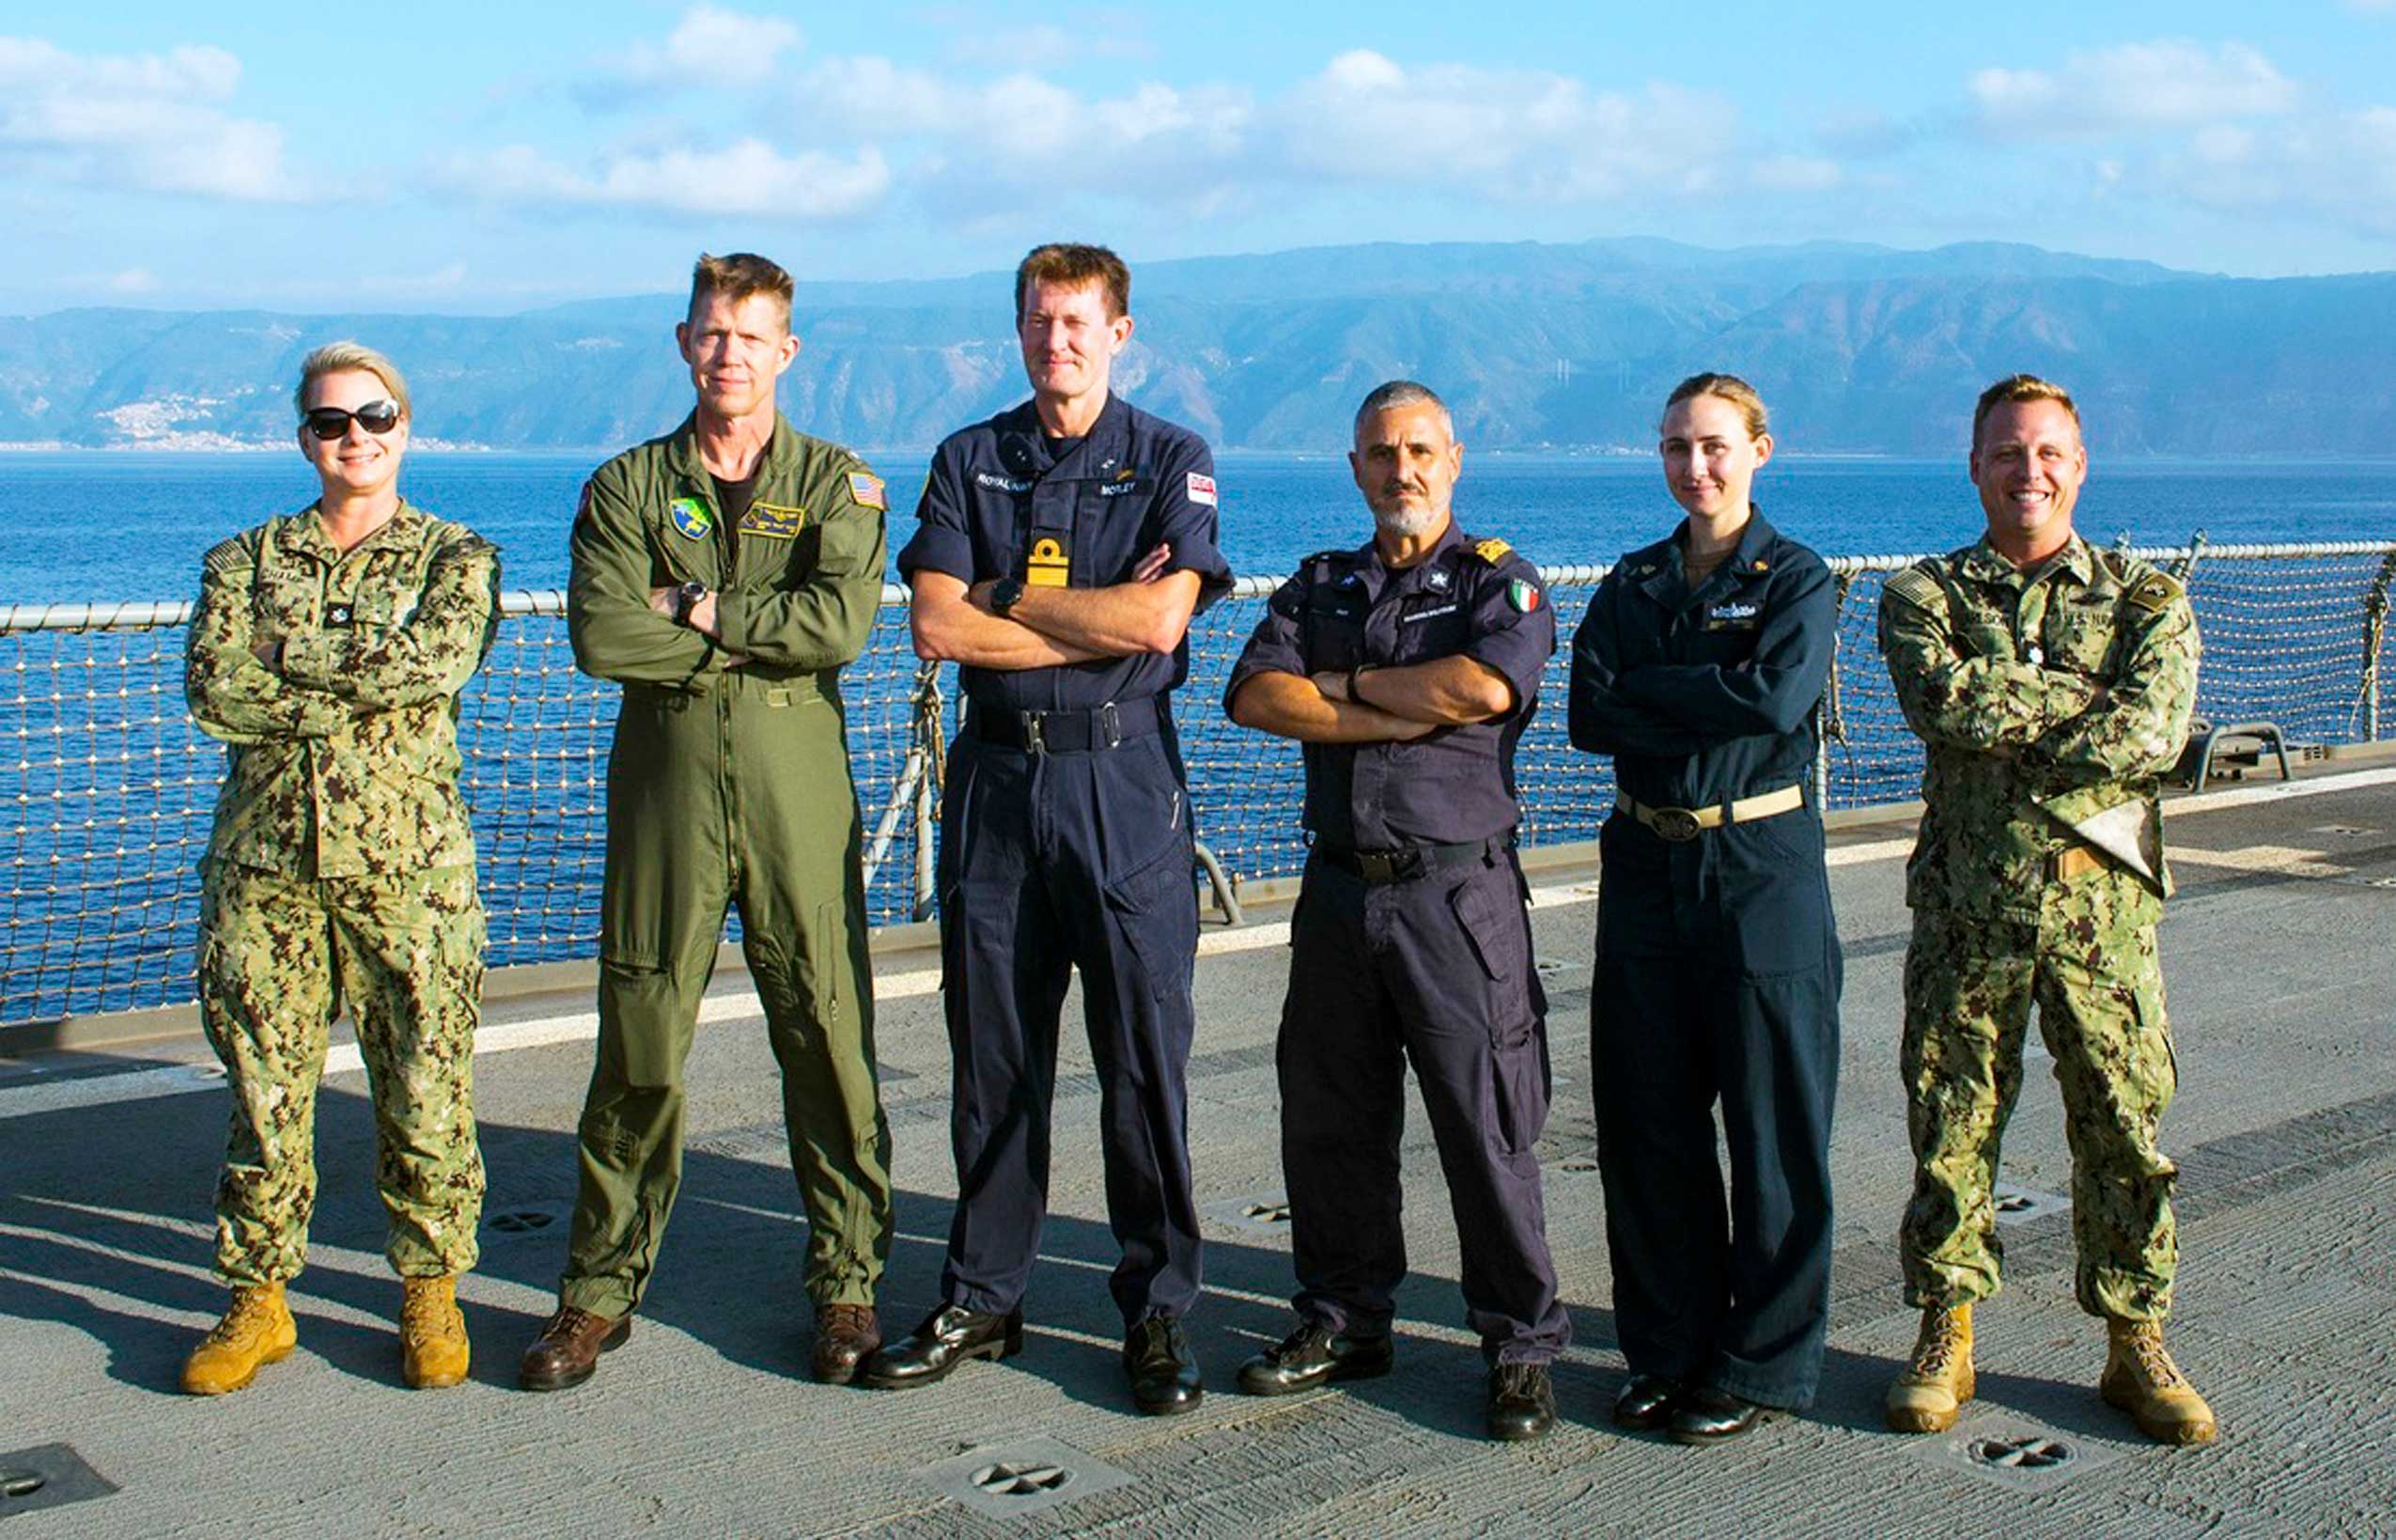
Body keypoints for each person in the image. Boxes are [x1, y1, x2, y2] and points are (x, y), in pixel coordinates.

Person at [862, 242, 1230, 1416]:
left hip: (1122, 792)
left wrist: (1008, 595)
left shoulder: (1172, 457)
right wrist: (1088, 622)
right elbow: (936, 627)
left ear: (1120, 332)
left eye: (1076, 321)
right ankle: (984, 1292)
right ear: (1015, 331)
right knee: (997, 1061)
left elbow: (1164, 625)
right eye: (1036, 320)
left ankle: (1159, 1312)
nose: (1055, 339)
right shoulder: (971, 458)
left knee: (1140, 1065)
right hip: (997, 796)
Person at [521, 253, 895, 1392]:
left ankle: (847, 1281)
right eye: (711, 333)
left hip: (794, 784)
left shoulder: (839, 482)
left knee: (827, 1032)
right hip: (666, 787)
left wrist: (691, 605)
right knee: (639, 1032)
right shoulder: (628, 485)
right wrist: (746, 627)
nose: (729, 353)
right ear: (684, 342)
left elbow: (839, 627)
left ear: (788, 351)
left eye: (752, 335)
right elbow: (602, 636)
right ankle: (596, 1291)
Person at [1224, 381, 1567, 1441]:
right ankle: (1345, 1316)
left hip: (1455, 897)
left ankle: (1518, 1341)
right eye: (1380, 452)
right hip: (1337, 894)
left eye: (1419, 449)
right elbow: (1251, 695)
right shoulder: (1320, 583)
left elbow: (1480, 690)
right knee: (1328, 1117)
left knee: (1485, 1120)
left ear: (1454, 460)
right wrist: (1391, 694)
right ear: (1356, 467)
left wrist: (1344, 686)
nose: (1401, 469)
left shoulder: (1499, 582)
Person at [1878, 374, 2213, 1444]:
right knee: (1952, 1125)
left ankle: (2136, 1338)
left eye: (2050, 452)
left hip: (2102, 925)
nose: (2031, 472)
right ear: (1974, 466)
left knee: (2124, 1131)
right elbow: (1943, 700)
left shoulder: (2146, 597)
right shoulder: (1924, 593)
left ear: (2082, 463)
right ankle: (1946, 1327)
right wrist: (2085, 698)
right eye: (2009, 452)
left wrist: (2014, 696)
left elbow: (2152, 735)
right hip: (1968, 918)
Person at [180, 341, 499, 1395]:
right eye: (331, 422)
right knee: (265, 1093)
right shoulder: (242, 559)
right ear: (304, 438)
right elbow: (213, 689)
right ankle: (258, 1297)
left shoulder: (457, 557)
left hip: (409, 873)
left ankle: (429, 1290)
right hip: (265, 866)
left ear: (404, 427)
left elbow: (435, 664)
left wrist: (291, 661)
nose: (353, 436)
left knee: (426, 1083)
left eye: (372, 417)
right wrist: (361, 687)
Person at [1565, 372, 1842, 1444]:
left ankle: (1762, 1362)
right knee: (1648, 1124)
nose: (1697, 465)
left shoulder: (1799, 580)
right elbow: (1590, 711)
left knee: (1774, 1123)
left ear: (1760, 450)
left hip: (1758, 865)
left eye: (1717, 445)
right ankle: (1668, 1348)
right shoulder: (1633, 581)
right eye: (1678, 445)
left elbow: (1776, 697)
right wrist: (1703, 680)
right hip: (1645, 863)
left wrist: (1658, 689)